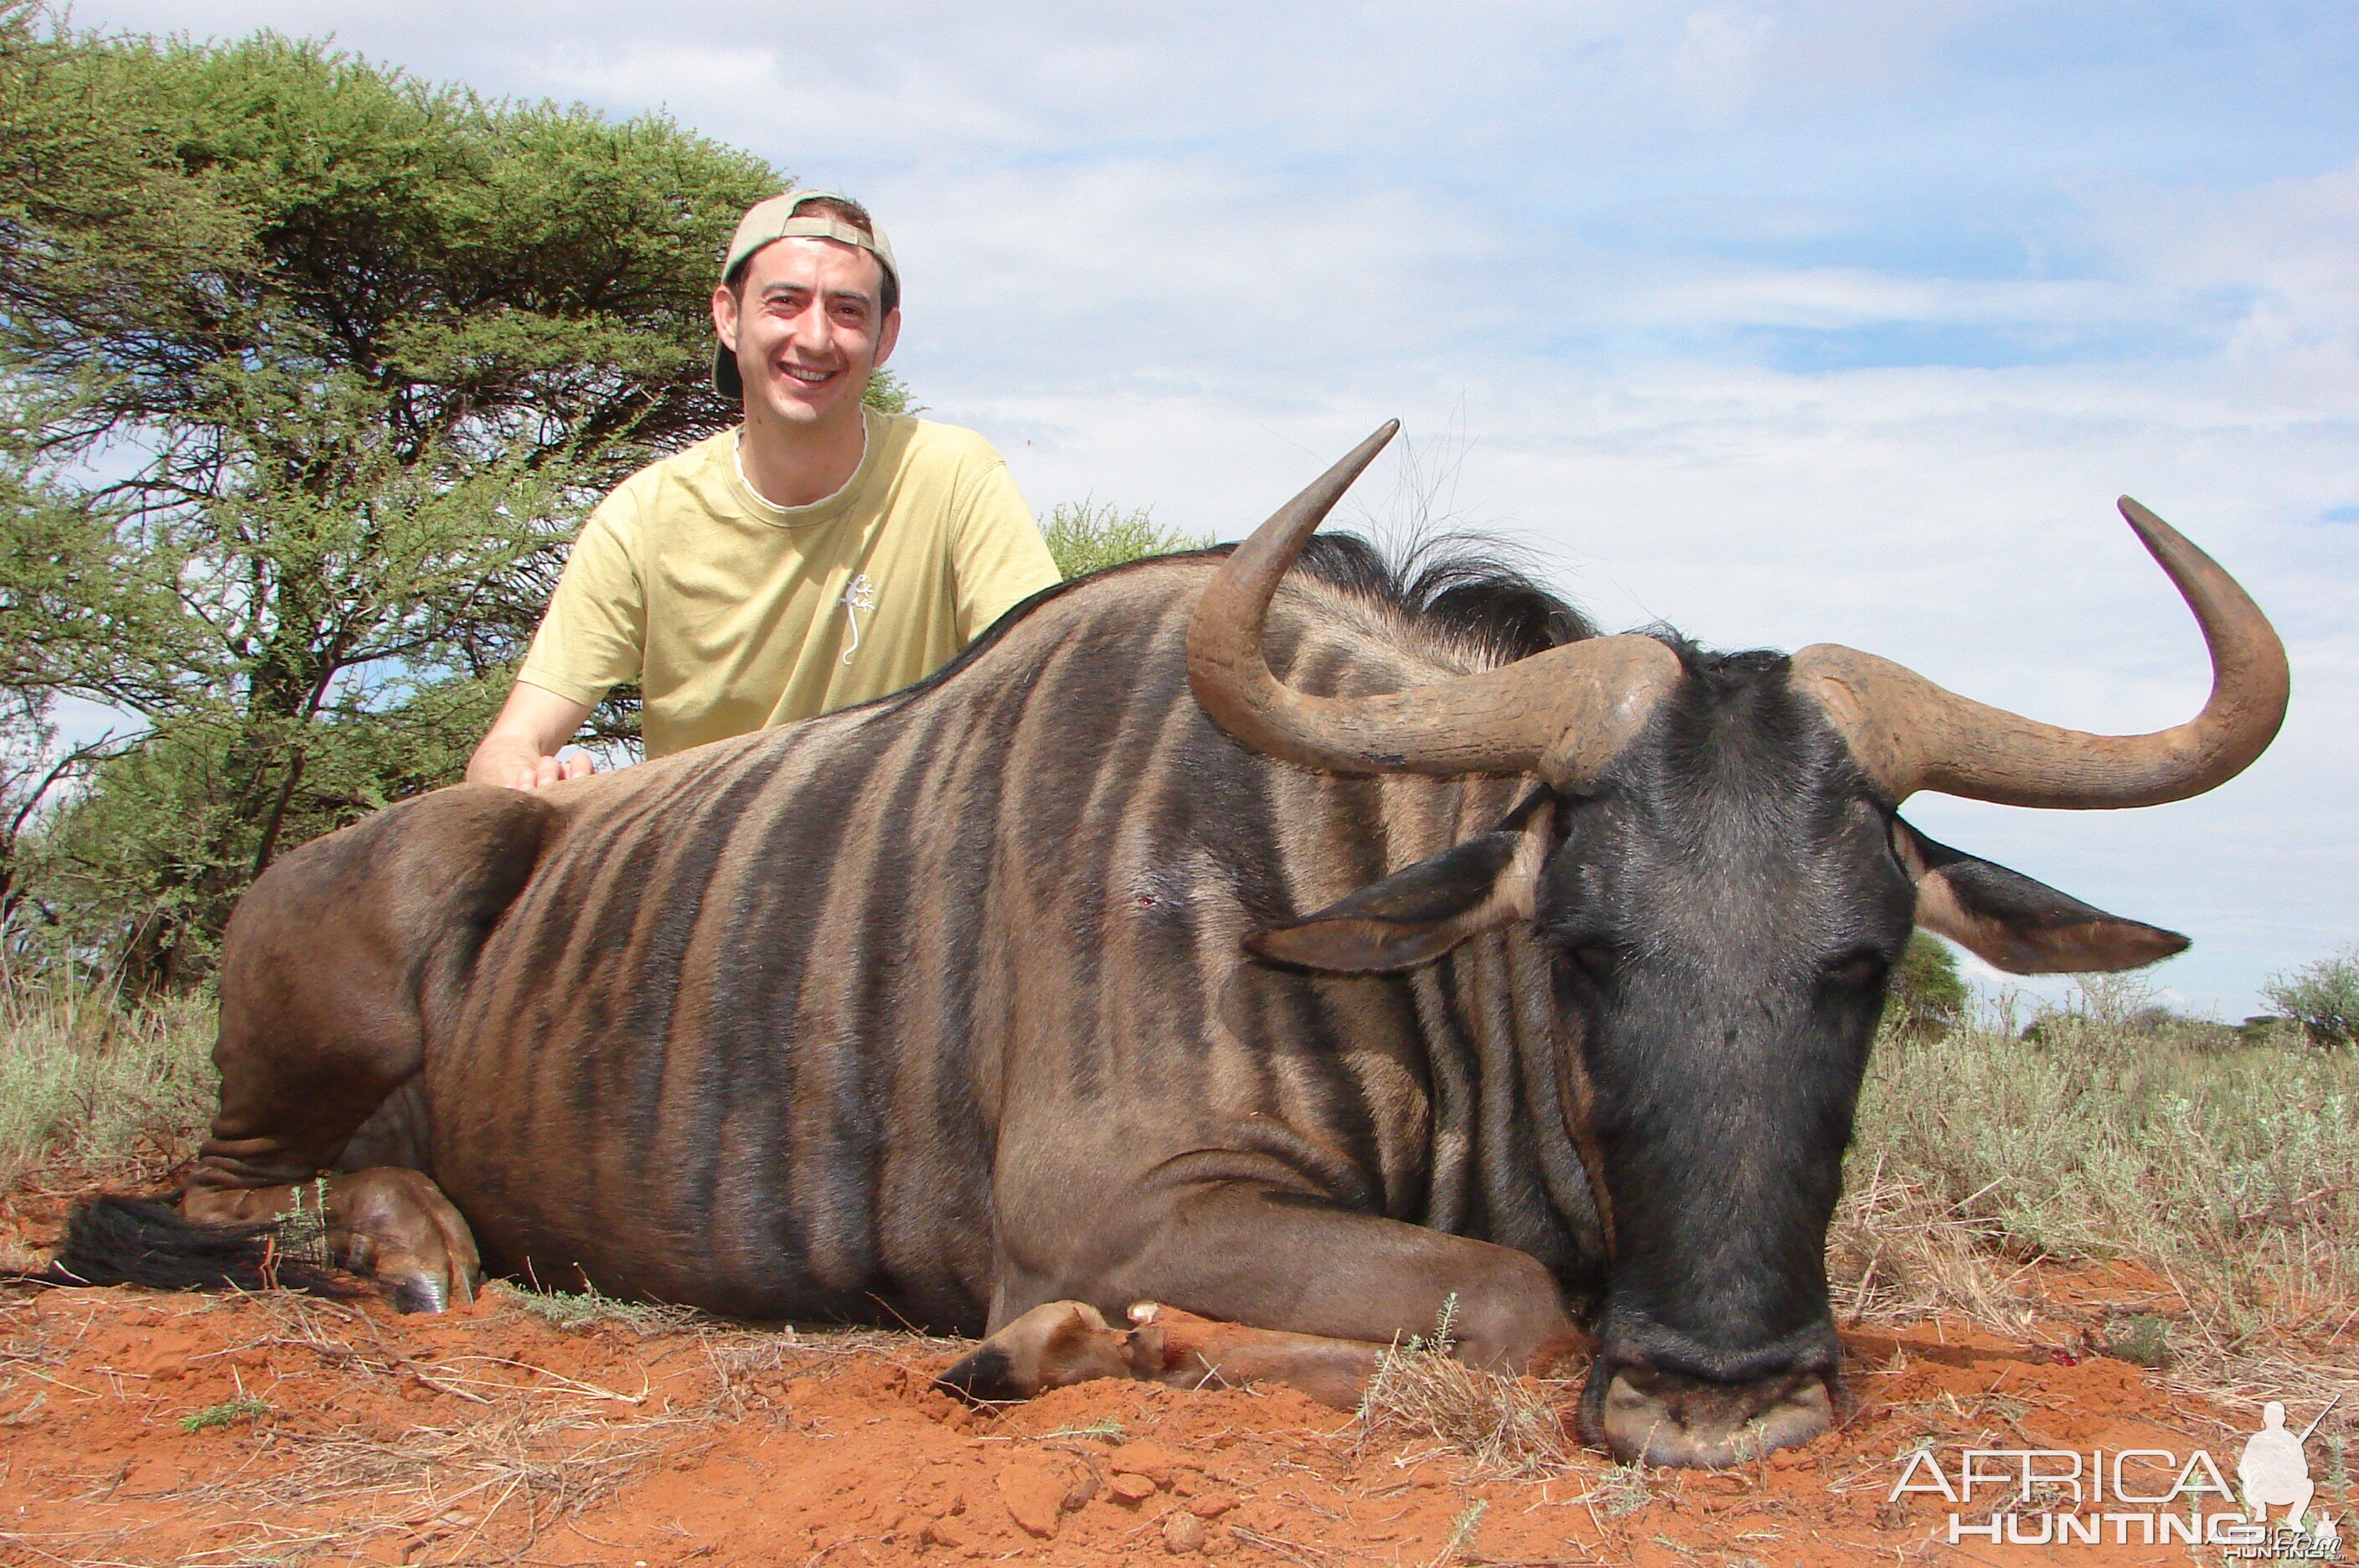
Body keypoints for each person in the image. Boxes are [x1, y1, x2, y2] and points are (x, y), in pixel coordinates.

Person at [466, 189, 1061, 789]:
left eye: (849, 311)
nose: (816, 338)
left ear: (886, 337)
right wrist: (527, 779)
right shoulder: (643, 516)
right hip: (705, 869)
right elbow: (512, 744)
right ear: (729, 317)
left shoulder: (955, 474)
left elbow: (1052, 684)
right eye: (785, 303)